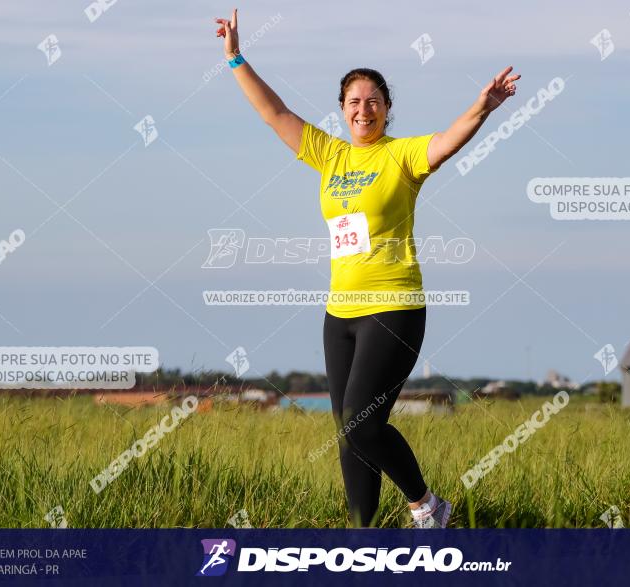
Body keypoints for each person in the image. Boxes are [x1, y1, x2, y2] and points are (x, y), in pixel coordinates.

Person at [214, 8, 520, 528]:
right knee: (351, 431)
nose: (363, 109)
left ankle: (428, 506)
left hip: (395, 307)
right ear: (342, 109)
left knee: (361, 421)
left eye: (373, 101)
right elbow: (274, 113)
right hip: (341, 314)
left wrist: (483, 106)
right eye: (354, 101)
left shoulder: (401, 157)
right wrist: (236, 57)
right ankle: (363, 536)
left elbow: (447, 140)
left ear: (386, 109)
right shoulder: (329, 155)